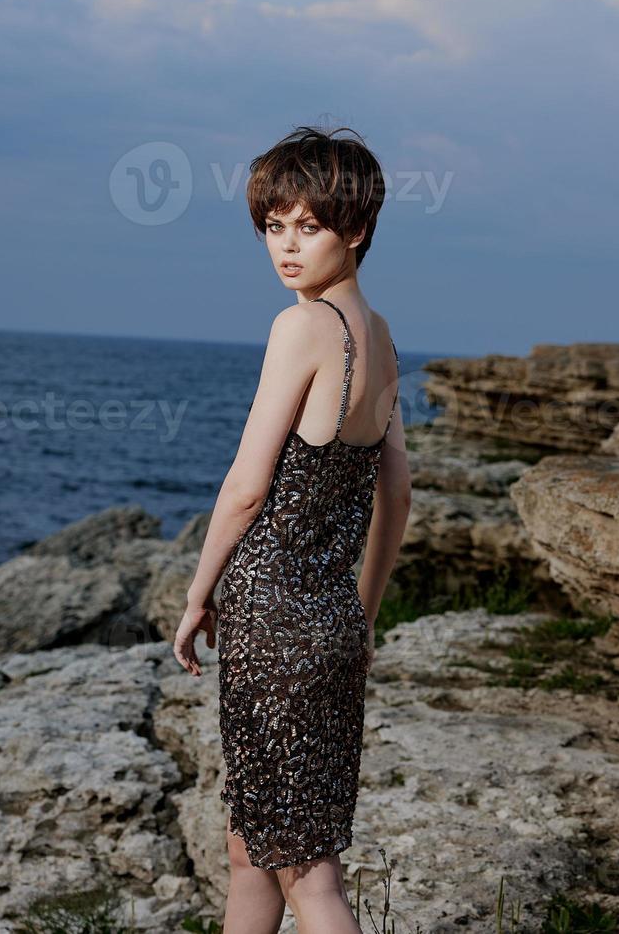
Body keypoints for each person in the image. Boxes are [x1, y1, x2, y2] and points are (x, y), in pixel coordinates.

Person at [172, 125, 412, 934]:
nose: (285, 246)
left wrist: (196, 594)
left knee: (308, 873)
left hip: (269, 621)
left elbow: (245, 490)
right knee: (252, 849)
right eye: (273, 225)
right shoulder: (379, 341)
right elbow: (397, 496)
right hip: (329, 626)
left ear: (357, 229)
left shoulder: (301, 327)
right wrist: (362, 615)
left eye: (307, 226)